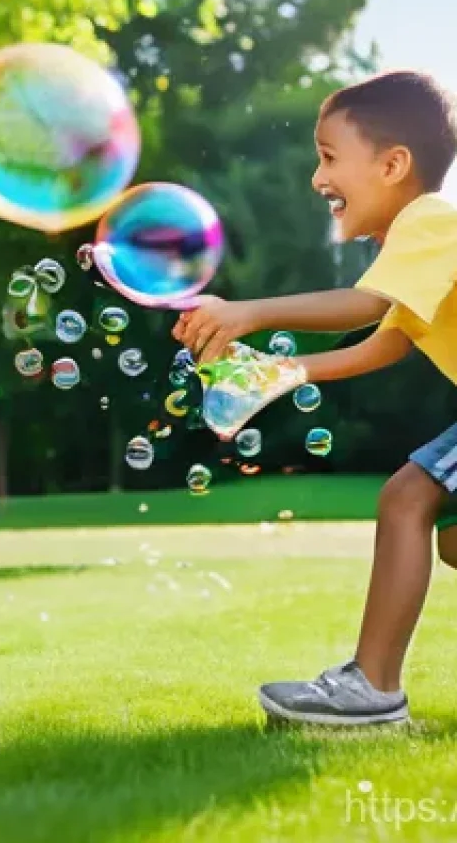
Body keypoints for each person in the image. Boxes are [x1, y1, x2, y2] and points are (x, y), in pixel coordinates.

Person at [174, 69, 457, 726]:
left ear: (393, 164)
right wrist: (275, 373)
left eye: (329, 157)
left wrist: (247, 314)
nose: (316, 178)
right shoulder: (418, 246)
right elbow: (385, 343)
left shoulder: (428, 221)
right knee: (451, 542)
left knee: (407, 498)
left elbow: (365, 305)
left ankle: (373, 690)